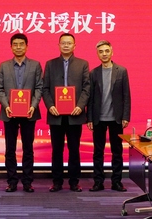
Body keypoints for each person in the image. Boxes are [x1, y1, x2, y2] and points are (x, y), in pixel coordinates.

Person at [42, 33, 91, 192]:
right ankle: (57, 182)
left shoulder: (82, 64)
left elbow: (87, 88)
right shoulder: (50, 64)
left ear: (74, 46)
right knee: (56, 150)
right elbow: (45, 88)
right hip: (55, 115)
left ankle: (74, 182)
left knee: (74, 149)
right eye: (63, 43)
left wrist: (80, 105)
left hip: (75, 115)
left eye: (69, 43)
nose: (66, 45)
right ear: (59, 45)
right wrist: (50, 105)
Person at [0, 34, 43, 193]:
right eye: (15, 44)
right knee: (10, 149)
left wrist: (33, 106)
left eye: (21, 44)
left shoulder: (35, 65)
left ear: (26, 46)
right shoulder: (4, 66)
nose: (18, 47)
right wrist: (6, 106)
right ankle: (12, 181)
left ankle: (27, 182)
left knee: (28, 148)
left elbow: (39, 88)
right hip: (9, 113)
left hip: (29, 113)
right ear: (11, 47)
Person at [87, 40, 131, 192]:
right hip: (98, 118)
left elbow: (126, 95)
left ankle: (116, 182)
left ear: (112, 52)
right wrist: (89, 118)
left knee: (117, 151)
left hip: (116, 118)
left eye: (107, 51)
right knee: (98, 152)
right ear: (97, 54)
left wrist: (125, 116)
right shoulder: (93, 73)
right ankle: (98, 182)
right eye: (101, 52)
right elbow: (90, 98)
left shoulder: (121, 71)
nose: (104, 54)